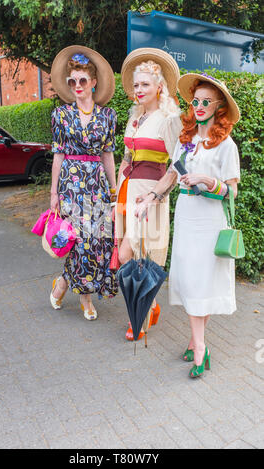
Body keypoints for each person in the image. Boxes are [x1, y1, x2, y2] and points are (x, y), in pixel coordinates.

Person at [135, 73, 241, 378]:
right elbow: (171, 175)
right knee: (193, 283)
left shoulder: (226, 146)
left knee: (201, 283)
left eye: (206, 101)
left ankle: (200, 349)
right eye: (195, 101)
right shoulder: (187, 139)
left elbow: (231, 191)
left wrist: (210, 181)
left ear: (219, 106)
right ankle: (197, 342)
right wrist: (150, 199)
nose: (199, 106)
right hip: (185, 216)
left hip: (209, 220)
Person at [116, 48, 182, 341]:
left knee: (141, 255)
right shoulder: (134, 119)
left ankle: (138, 317)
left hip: (151, 195)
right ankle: (150, 305)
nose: (139, 90)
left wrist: (155, 196)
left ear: (159, 87)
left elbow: (179, 165)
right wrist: (116, 195)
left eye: (145, 84)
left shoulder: (169, 120)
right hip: (129, 193)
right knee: (126, 255)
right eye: (136, 85)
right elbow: (126, 159)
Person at [49, 45, 118, 320]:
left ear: (94, 82)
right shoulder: (61, 115)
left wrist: (114, 191)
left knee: (97, 241)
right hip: (70, 185)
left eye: (82, 80)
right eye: (72, 81)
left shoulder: (108, 116)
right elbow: (57, 155)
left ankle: (63, 283)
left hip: (97, 185)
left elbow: (109, 155)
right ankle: (86, 300)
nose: (77, 86)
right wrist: (53, 192)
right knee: (79, 241)